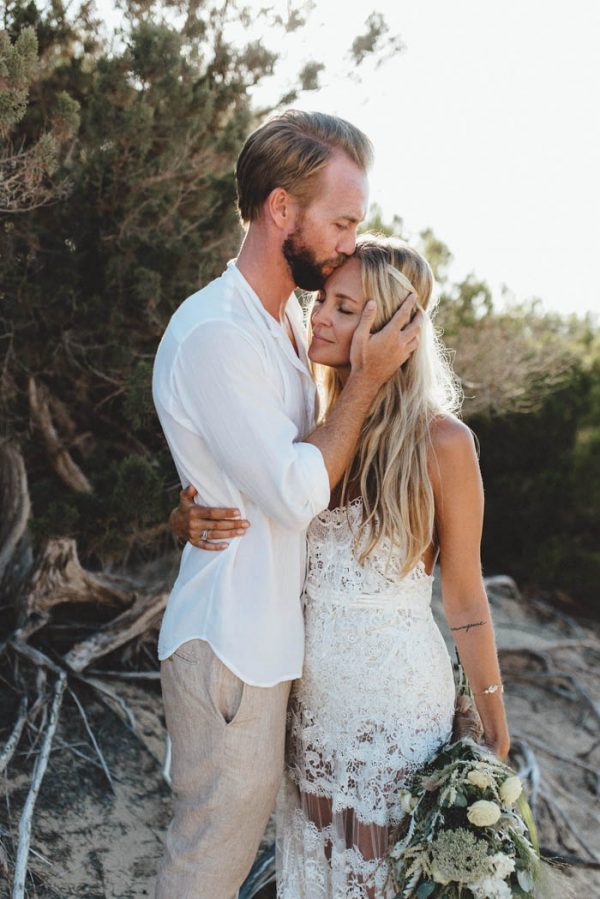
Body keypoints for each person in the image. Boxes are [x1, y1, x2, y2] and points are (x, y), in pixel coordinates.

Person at [171, 235, 510, 897]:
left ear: (391, 327)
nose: (318, 315)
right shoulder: (310, 429)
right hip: (309, 706)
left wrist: (493, 710)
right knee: (317, 867)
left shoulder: (444, 443)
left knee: (381, 874)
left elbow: (466, 596)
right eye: (321, 298)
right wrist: (182, 518)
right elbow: (239, 506)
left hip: (395, 708)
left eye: (345, 306)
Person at [151, 110, 423, 899]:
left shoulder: (280, 324)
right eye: (341, 222)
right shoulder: (218, 333)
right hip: (230, 643)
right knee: (209, 860)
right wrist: (368, 380)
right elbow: (300, 488)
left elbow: (255, 460)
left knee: (227, 850)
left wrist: (185, 506)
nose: (348, 243)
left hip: (268, 643)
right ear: (281, 211)